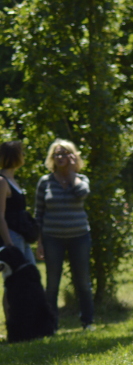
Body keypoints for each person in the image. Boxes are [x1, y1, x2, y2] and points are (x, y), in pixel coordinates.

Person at [35, 139, 95, 330]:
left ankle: (87, 322)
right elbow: (39, 214)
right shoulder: (45, 182)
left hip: (80, 237)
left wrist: (70, 173)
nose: (60, 158)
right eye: (56, 154)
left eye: (64, 154)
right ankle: (51, 324)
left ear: (72, 156)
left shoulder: (81, 178)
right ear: (52, 158)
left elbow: (82, 193)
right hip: (53, 238)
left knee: (83, 282)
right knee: (52, 284)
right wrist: (40, 243)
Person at [0, 141, 38, 265]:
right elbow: (0, 215)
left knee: (30, 275)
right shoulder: (2, 181)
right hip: (12, 236)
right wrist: (9, 243)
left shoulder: (12, 180)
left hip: (21, 235)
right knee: (17, 279)